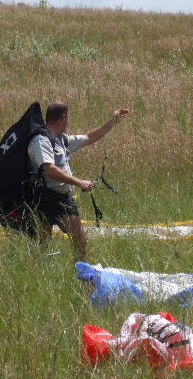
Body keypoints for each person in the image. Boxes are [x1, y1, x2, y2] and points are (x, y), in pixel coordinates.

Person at [28, 101, 130, 261]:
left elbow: (89, 137)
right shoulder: (41, 141)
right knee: (42, 243)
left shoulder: (61, 139)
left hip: (63, 197)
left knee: (80, 238)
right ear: (63, 117)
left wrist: (113, 121)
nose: (69, 120)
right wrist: (79, 182)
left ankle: (82, 271)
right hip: (43, 197)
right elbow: (49, 169)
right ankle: (37, 269)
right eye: (68, 117)